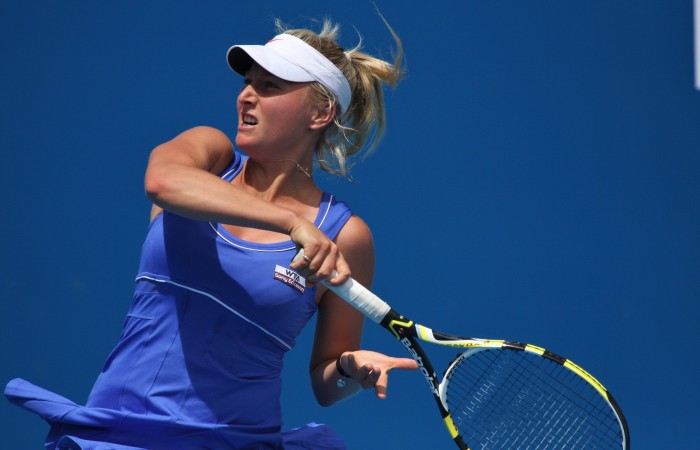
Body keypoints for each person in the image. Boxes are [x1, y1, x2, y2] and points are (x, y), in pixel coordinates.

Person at [5, 17, 418, 450]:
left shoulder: (345, 235)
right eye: (247, 82)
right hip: (116, 430)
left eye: (269, 86)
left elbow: (325, 383)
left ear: (320, 113)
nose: (246, 96)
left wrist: (350, 369)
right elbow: (161, 182)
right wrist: (291, 223)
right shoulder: (209, 154)